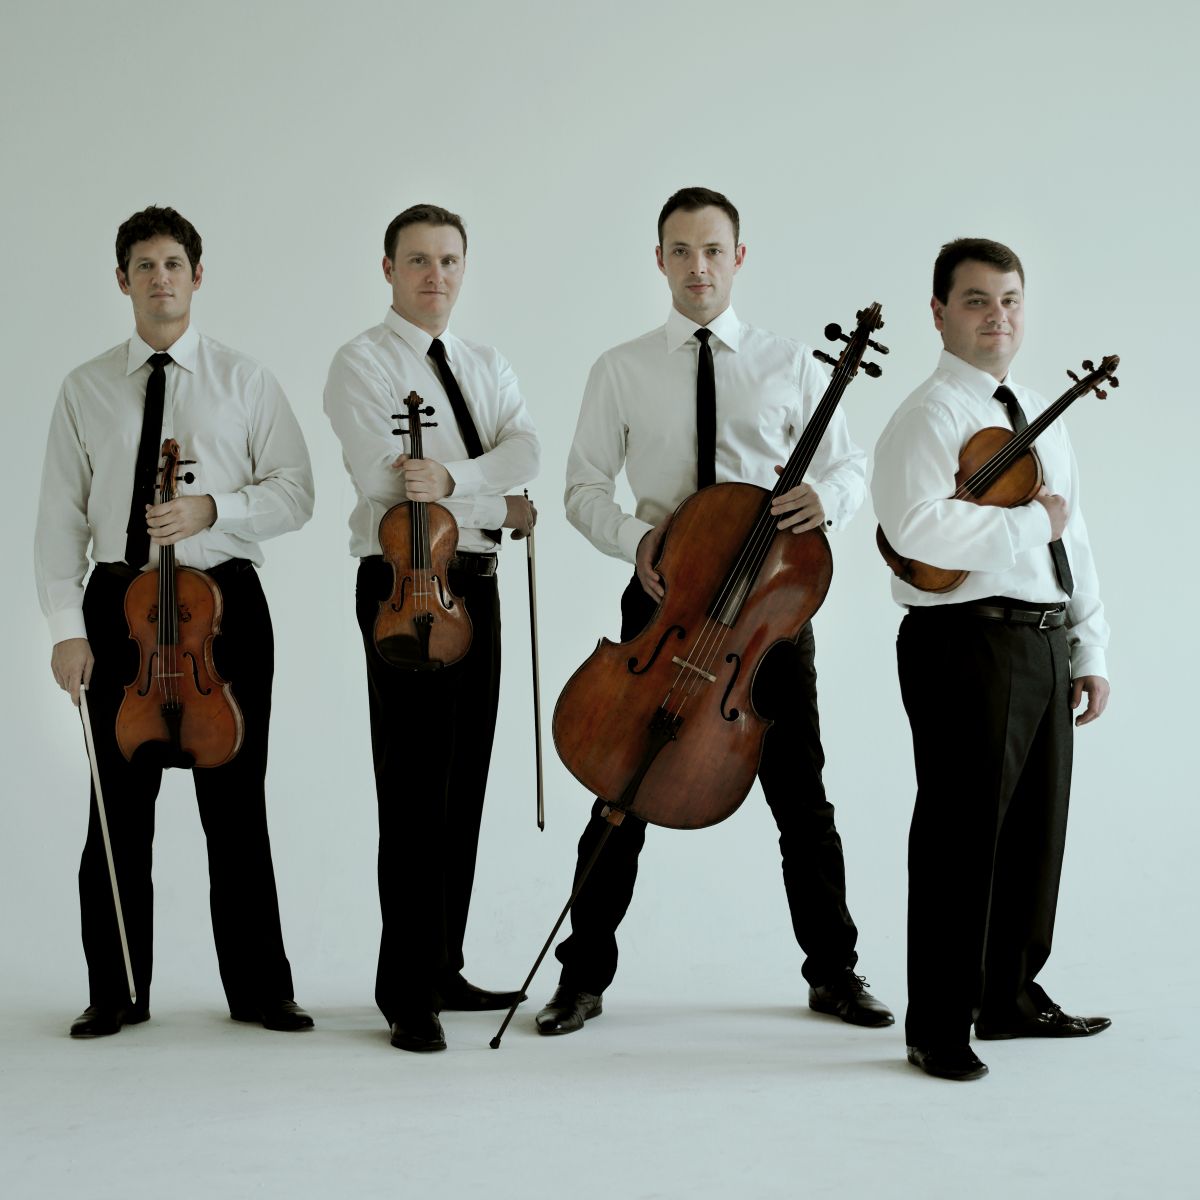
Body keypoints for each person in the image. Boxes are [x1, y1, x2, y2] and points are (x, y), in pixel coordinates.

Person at [537, 186, 893, 1037]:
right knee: (620, 789)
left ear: (739, 257)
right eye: (681, 250)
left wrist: (827, 499)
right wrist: (639, 540)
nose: (697, 266)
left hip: (765, 615)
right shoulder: (620, 369)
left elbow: (849, 465)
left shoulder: (791, 363)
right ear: (659, 259)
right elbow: (582, 488)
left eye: (712, 249)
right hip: (663, 600)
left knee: (801, 797)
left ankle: (835, 973)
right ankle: (580, 978)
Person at [35, 205, 316, 1038]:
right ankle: (115, 989)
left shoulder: (245, 380)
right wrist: (65, 627)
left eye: (173, 264)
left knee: (236, 803)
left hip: (223, 605)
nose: (160, 278)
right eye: (144, 266)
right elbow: (59, 516)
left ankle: (261, 989)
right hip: (119, 604)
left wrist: (211, 509)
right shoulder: (85, 387)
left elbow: (296, 492)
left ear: (198, 276)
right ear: (122, 281)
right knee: (117, 808)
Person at [871, 237, 1112, 1082]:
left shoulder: (1039, 409)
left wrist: (1088, 644)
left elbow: (1075, 536)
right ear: (938, 313)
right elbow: (914, 528)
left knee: (1035, 834)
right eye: (976, 300)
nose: (996, 316)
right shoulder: (927, 415)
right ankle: (938, 1024)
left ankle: (1007, 996)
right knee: (959, 837)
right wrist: (1030, 522)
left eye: (1009, 300)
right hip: (963, 641)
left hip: (1042, 639)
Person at [324, 203, 540, 1053]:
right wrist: (496, 503)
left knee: (465, 783)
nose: (435, 276)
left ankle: (443, 966)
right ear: (388, 269)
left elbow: (526, 450)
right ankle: (405, 990)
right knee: (414, 787)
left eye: (449, 260)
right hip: (403, 583)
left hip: (476, 584)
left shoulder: (486, 362)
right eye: (417, 260)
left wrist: (455, 480)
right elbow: (389, 483)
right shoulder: (361, 363)